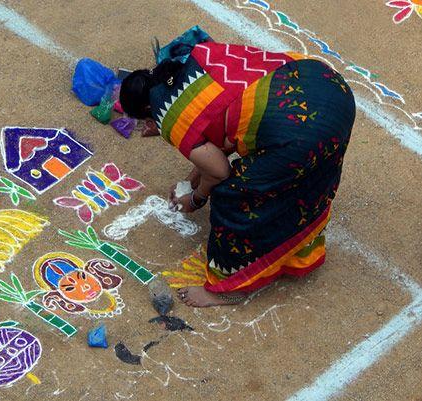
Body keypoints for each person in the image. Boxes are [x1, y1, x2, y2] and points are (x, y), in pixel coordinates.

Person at [120, 38, 355, 307]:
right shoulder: (186, 61)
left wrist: (196, 198)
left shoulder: (168, 115)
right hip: (326, 87)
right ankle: (300, 248)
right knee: (304, 178)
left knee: (233, 194)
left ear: (148, 112)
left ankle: (227, 288)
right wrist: (189, 179)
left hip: (301, 132)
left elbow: (219, 171)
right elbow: (216, 129)